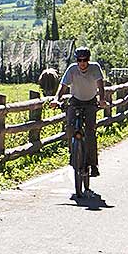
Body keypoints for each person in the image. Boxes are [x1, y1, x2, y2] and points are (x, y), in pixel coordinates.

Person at [53, 46, 107, 177]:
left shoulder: (95, 68)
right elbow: (63, 85)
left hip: (90, 101)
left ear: (88, 60)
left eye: (85, 60)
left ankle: (93, 164)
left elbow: (100, 85)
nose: (82, 63)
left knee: (90, 132)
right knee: (70, 128)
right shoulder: (72, 69)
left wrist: (102, 100)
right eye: (80, 60)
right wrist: (56, 99)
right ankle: (73, 156)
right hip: (76, 100)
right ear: (76, 60)